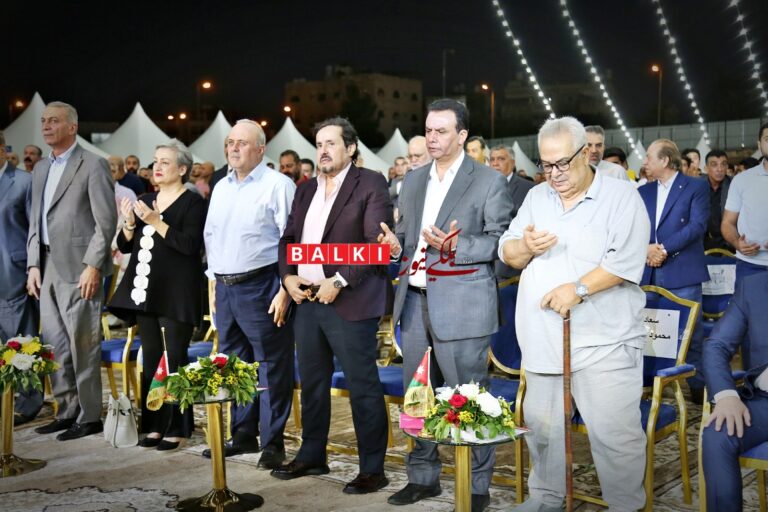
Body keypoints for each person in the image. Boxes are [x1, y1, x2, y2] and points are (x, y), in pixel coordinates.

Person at [498, 116, 650, 512]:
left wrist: (578, 289)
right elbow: (508, 251)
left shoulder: (621, 196)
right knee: (543, 431)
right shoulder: (537, 197)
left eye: (563, 163)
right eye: (546, 165)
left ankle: (625, 505)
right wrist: (526, 247)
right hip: (543, 340)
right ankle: (546, 499)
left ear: (586, 154)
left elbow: (625, 261)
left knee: (614, 436)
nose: (555, 174)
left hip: (605, 342)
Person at [382, 99, 513, 512]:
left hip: (463, 304)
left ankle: (476, 485)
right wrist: (395, 248)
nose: (431, 138)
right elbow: (407, 238)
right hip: (414, 302)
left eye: (441, 131)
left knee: (469, 398)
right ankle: (423, 478)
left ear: (462, 136)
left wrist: (458, 246)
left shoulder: (489, 181)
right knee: (417, 396)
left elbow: (502, 243)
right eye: (428, 130)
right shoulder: (413, 180)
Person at [274, 117, 393, 495]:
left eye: (331, 143)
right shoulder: (305, 189)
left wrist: (338, 281)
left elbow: (376, 246)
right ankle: (312, 454)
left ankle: (372, 469)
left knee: (362, 386)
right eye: (319, 144)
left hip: (351, 300)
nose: (323, 151)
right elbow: (288, 239)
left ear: (351, 148)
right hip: (306, 299)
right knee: (312, 383)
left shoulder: (370, 182)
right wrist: (288, 278)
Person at [203, 119, 295, 468]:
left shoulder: (278, 185)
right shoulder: (221, 186)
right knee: (235, 364)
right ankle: (243, 433)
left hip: (263, 284)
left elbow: (291, 240)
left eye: (242, 142)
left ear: (261, 148)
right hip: (225, 287)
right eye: (230, 142)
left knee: (270, 365)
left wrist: (285, 289)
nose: (234, 148)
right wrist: (214, 283)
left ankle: (273, 442)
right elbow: (212, 236)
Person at [27, 101, 116, 441]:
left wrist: (93, 265)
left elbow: (105, 222)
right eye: (43, 121)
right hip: (46, 264)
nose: (46, 126)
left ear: (72, 127)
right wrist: (33, 264)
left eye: (54, 121)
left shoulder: (92, 164)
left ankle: (89, 415)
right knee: (55, 344)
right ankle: (66, 411)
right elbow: (35, 220)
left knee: (82, 343)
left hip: (80, 268)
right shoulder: (40, 168)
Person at [108, 141, 205, 451]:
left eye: (165, 162)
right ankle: (154, 425)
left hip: (176, 294)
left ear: (182, 169)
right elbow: (126, 245)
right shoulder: (145, 199)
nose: (157, 167)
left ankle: (178, 427)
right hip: (146, 292)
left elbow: (189, 246)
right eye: (155, 161)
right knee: (150, 359)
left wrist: (155, 221)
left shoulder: (193, 202)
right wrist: (129, 223)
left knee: (174, 360)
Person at [639, 139, 710, 403]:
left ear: (665, 160)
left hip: (682, 272)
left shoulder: (696, 186)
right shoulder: (643, 192)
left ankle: (698, 389)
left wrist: (663, 249)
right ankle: (650, 387)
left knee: (690, 335)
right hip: (649, 271)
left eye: (649, 157)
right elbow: (634, 227)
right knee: (649, 333)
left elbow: (697, 226)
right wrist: (646, 250)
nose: (644, 162)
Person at [700, 272, 768, 512]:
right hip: (764, 402)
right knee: (718, 432)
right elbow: (717, 345)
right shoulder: (754, 286)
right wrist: (726, 395)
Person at [0, 131, 42, 425]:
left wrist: (33, 268)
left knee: (21, 342)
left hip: (14, 272)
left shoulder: (24, 182)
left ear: (2, 150)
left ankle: (28, 404)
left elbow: (35, 231)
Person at [721, 122, 768, 283]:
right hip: (750, 265)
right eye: (767, 139)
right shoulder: (742, 180)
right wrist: (736, 243)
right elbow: (727, 222)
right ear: (759, 144)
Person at [489, 144, 534, 281]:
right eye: (492, 159)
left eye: (501, 159)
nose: (495, 163)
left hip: (514, 270)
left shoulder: (529, 189)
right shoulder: (481, 188)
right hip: (487, 265)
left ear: (513, 163)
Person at [702, 149, 733, 251]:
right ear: (706, 168)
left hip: (729, 242)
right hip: (703, 242)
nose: (720, 169)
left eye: (723, 164)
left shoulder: (734, 185)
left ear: (727, 167)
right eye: (714, 165)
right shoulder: (697, 186)